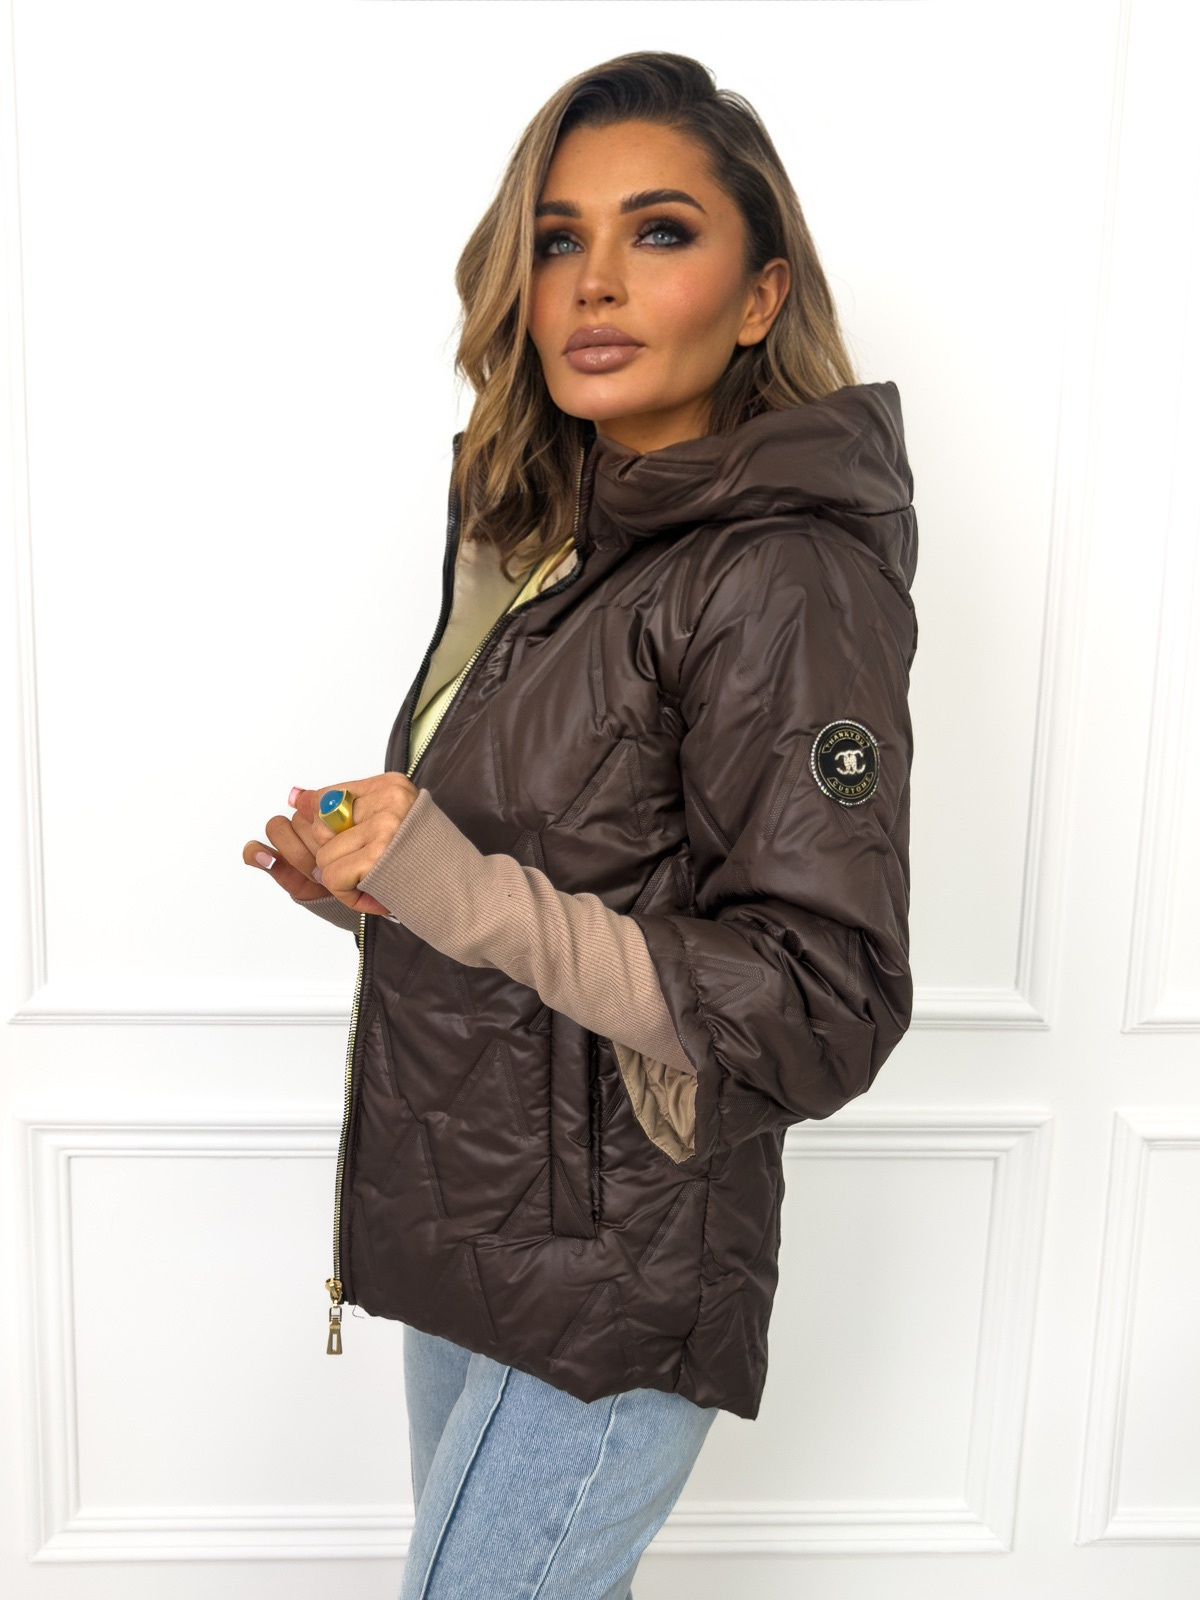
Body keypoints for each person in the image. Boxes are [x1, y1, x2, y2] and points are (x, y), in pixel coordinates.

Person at [242, 49, 918, 1600]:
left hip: (617, 1263)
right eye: (558, 240)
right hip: (475, 1216)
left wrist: (461, 889)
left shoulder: (782, 580)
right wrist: (378, 883)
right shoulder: (560, 551)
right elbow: (561, 880)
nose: (593, 283)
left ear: (759, 297)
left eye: (659, 231)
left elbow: (820, 999)